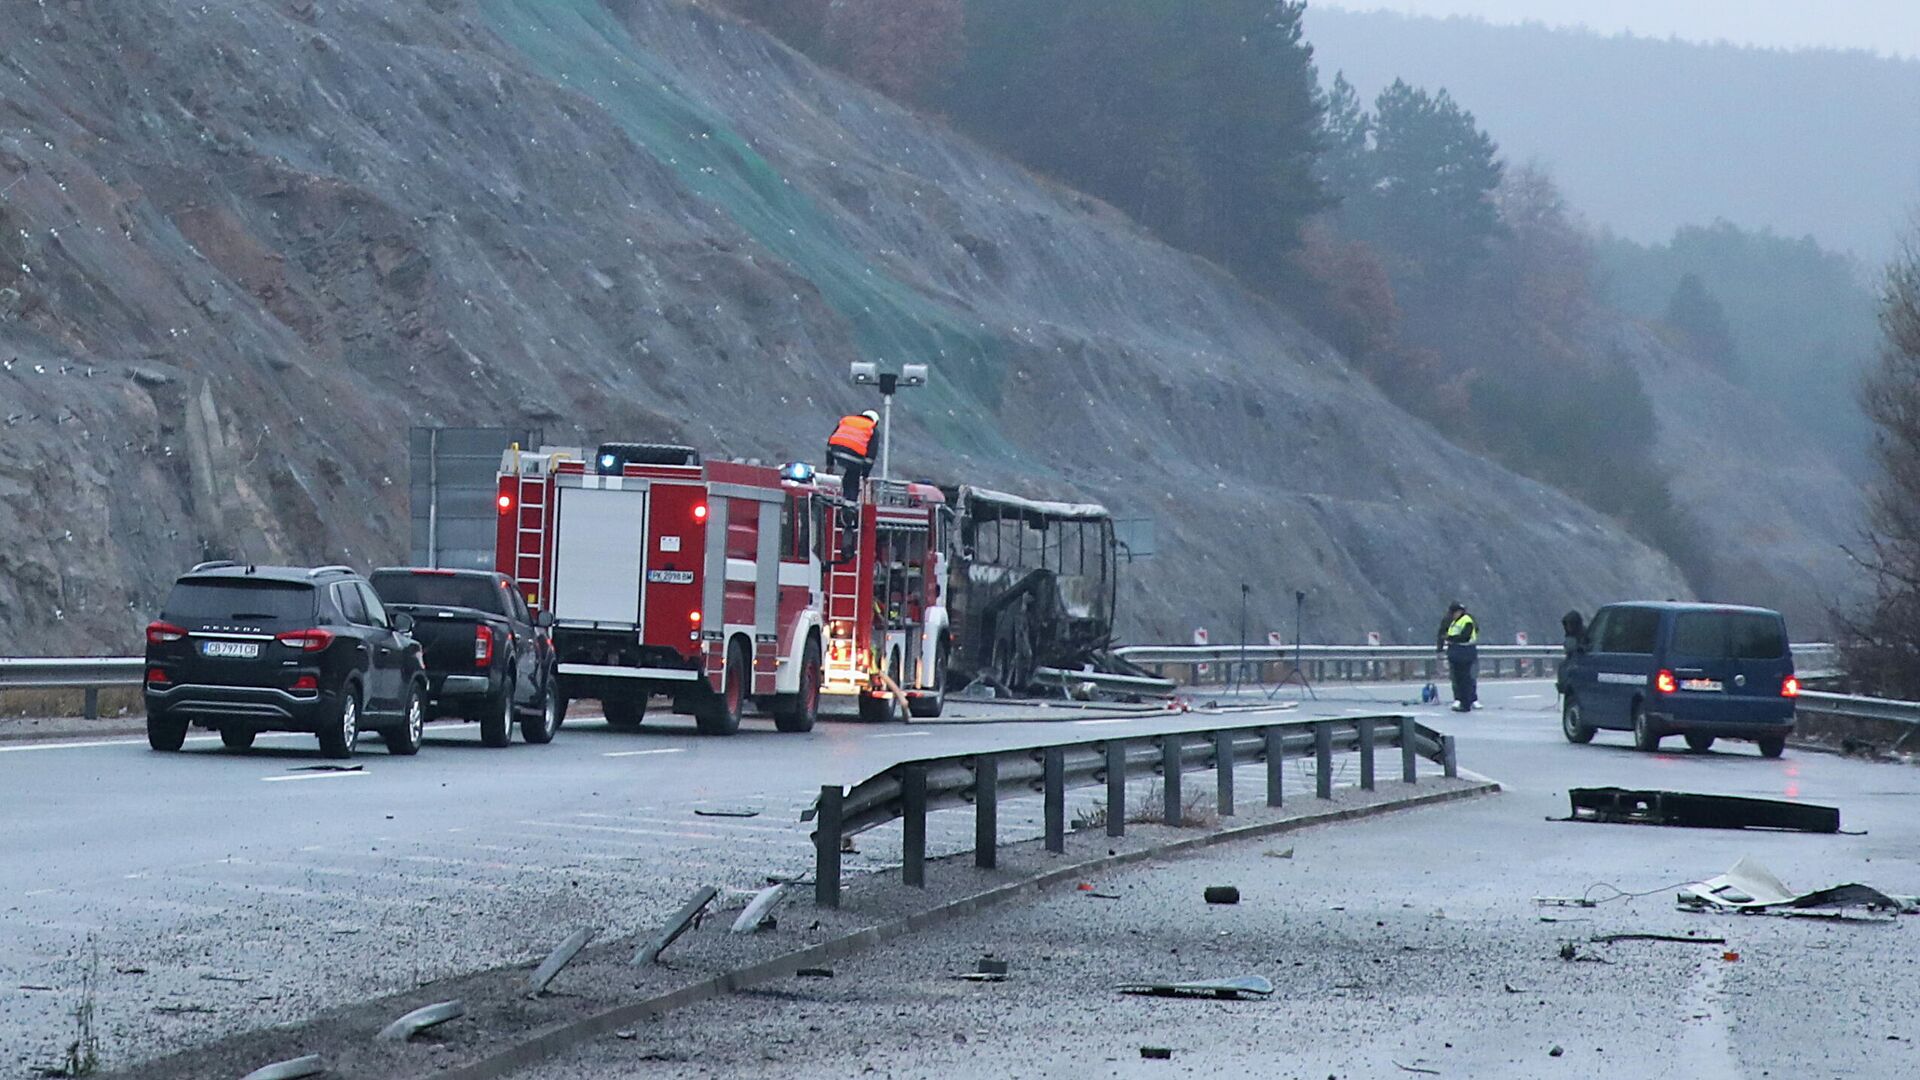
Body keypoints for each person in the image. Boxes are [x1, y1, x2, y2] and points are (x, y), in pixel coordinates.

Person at [826, 409, 880, 501]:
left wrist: (830, 464)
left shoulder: (846, 420)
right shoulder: (872, 429)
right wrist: (865, 475)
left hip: (836, 451)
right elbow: (870, 456)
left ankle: (845, 495)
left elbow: (831, 442)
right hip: (854, 457)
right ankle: (850, 502)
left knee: (850, 472)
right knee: (853, 474)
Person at [1436, 601, 1479, 712]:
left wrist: (1450, 638)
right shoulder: (1453, 621)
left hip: (1465, 653)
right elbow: (1442, 634)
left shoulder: (1467, 620)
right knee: (1458, 679)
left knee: (1466, 679)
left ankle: (1468, 701)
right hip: (1457, 654)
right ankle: (1461, 700)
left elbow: (1465, 637)